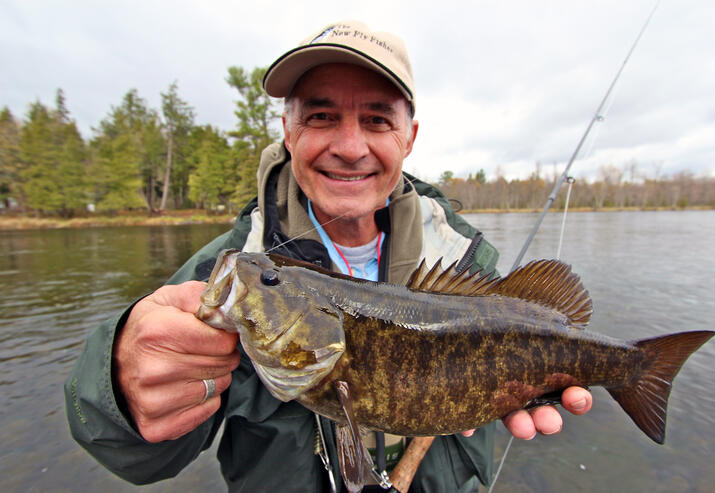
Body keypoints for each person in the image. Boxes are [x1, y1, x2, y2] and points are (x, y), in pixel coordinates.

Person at [65, 20, 592, 493]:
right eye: (321, 116)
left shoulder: (467, 259)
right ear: (289, 133)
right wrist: (120, 388)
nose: (349, 145)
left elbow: (537, 337)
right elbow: (137, 457)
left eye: (377, 119)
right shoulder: (231, 268)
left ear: (409, 137)